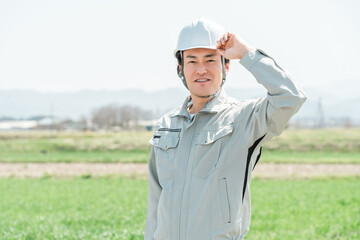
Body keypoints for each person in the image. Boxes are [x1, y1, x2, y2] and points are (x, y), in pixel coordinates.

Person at [145, 18, 306, 240]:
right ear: (180, 68)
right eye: (192, 61)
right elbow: (156, 201)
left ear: (226, 66)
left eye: (210, 60)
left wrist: (246, 54)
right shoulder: (167, 125)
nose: (201, 70)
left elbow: (291, 97)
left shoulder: (243, 119)